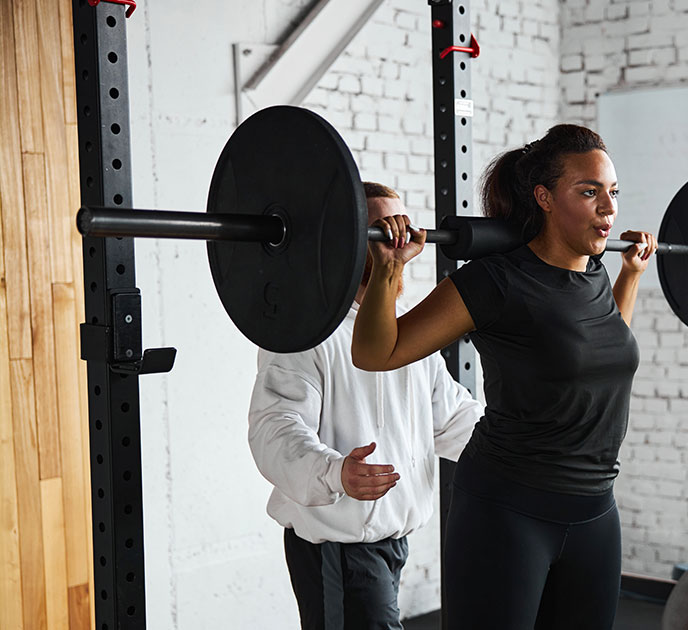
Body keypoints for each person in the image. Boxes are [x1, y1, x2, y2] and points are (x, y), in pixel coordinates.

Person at [352, 124, 657, 630]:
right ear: (545, 198)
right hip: (509, 509)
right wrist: (386, 270)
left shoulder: (597, 273)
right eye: (589, 192)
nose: (609, 208)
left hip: (595, 510)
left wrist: (630, 275)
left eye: (613, 192)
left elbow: (601, 348)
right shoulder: (495, 281)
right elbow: (377, 352)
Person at [248, 182, 483, 630]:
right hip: (337, 548)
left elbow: (453, 418)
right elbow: (274, 428)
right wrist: (335, 472)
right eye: (380, 233)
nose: (394, 244)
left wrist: (528, 450)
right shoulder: (308, 334)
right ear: (349, 242)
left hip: (391, 542)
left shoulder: (406, 333)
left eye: (401, 231)